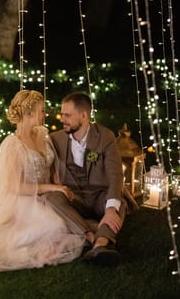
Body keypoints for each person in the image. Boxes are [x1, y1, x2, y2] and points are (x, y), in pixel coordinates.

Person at [0, 90, 84, 271]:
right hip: (22, 200)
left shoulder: (43, 133)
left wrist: (57, 186)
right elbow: (15, 186)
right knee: (54, 225)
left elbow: (50, 166)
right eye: (41, 110)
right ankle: (4, 248)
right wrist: (51, 187)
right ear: (29, 114)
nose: (45, 114)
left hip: (46, 195)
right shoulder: (12, 144)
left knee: (63, 220)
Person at [47, 92, 138, 265]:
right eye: (62, 114)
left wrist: (110, 210)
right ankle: (90, 236)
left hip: (100, 196)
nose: (62, 119)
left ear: (84, 115)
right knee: (52, 198)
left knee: (119, 203)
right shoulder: (55, 139)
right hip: (75, 198)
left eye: (67, 115)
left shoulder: (105, 136)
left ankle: (100, 245)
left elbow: (115, 174)